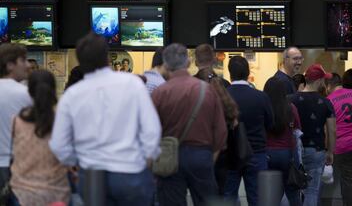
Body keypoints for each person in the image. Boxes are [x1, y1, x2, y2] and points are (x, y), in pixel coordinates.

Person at [49, 33, 161, 206]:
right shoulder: (132, 84)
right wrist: (146, 159)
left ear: (80, 60)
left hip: (91, 175)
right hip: (130, 172)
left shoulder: (72, 96)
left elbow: (58, 145)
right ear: (107, 57)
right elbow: (152, 130)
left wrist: (79, 162)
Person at [151, 43, 227, 206]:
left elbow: (151, 132)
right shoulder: (207, 90)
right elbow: (220, 132)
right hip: (201, 156)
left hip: (170, 157)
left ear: (165, 65)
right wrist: (209, 159)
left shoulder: (159, 93)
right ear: (187, 63)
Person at [10, 70, 70, 205]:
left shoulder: (17, 120)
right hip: (57, 193)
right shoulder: (61, 120)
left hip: (21, 193)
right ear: (53, 90)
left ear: (29, 91)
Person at [224, 56, 273, 206]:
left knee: (228, 197)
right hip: (256, 152)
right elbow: (270, 123)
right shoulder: (261, 97)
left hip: (229, 154)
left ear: (230, 73)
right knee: (257, 199)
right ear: (248, 72)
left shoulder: (223, 96)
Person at [289, 64, 336, 206]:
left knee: (292, 189)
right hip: (316, 150)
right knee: (312, 191)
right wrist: (330, 152)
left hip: (293, 150)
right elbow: (332, 130)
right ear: (319, 81)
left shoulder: (290, 99)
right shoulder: (326, 102)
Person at [196, 67, 239, 196]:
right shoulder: (227, 102)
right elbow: (235, 124)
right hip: (225, 157)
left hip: (206, 153)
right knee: (221, 193)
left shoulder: (203, 101)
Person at [326, 69, 352, 206]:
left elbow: (330, 128)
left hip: (342, 147)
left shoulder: (329, 100)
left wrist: (329, 150)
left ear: (328, 86)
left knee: (349, 182)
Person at [264, 78, 302, 206]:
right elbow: (297, 130)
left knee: (271, 195)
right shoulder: (291, 108)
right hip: (288, 154)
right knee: (292, 192)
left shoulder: (264, 107)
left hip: (267, 154)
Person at [0, 44, 32, 197]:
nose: (28, 65)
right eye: (23, 60)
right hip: (17, 164)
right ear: (10, 65)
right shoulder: (25, 94)